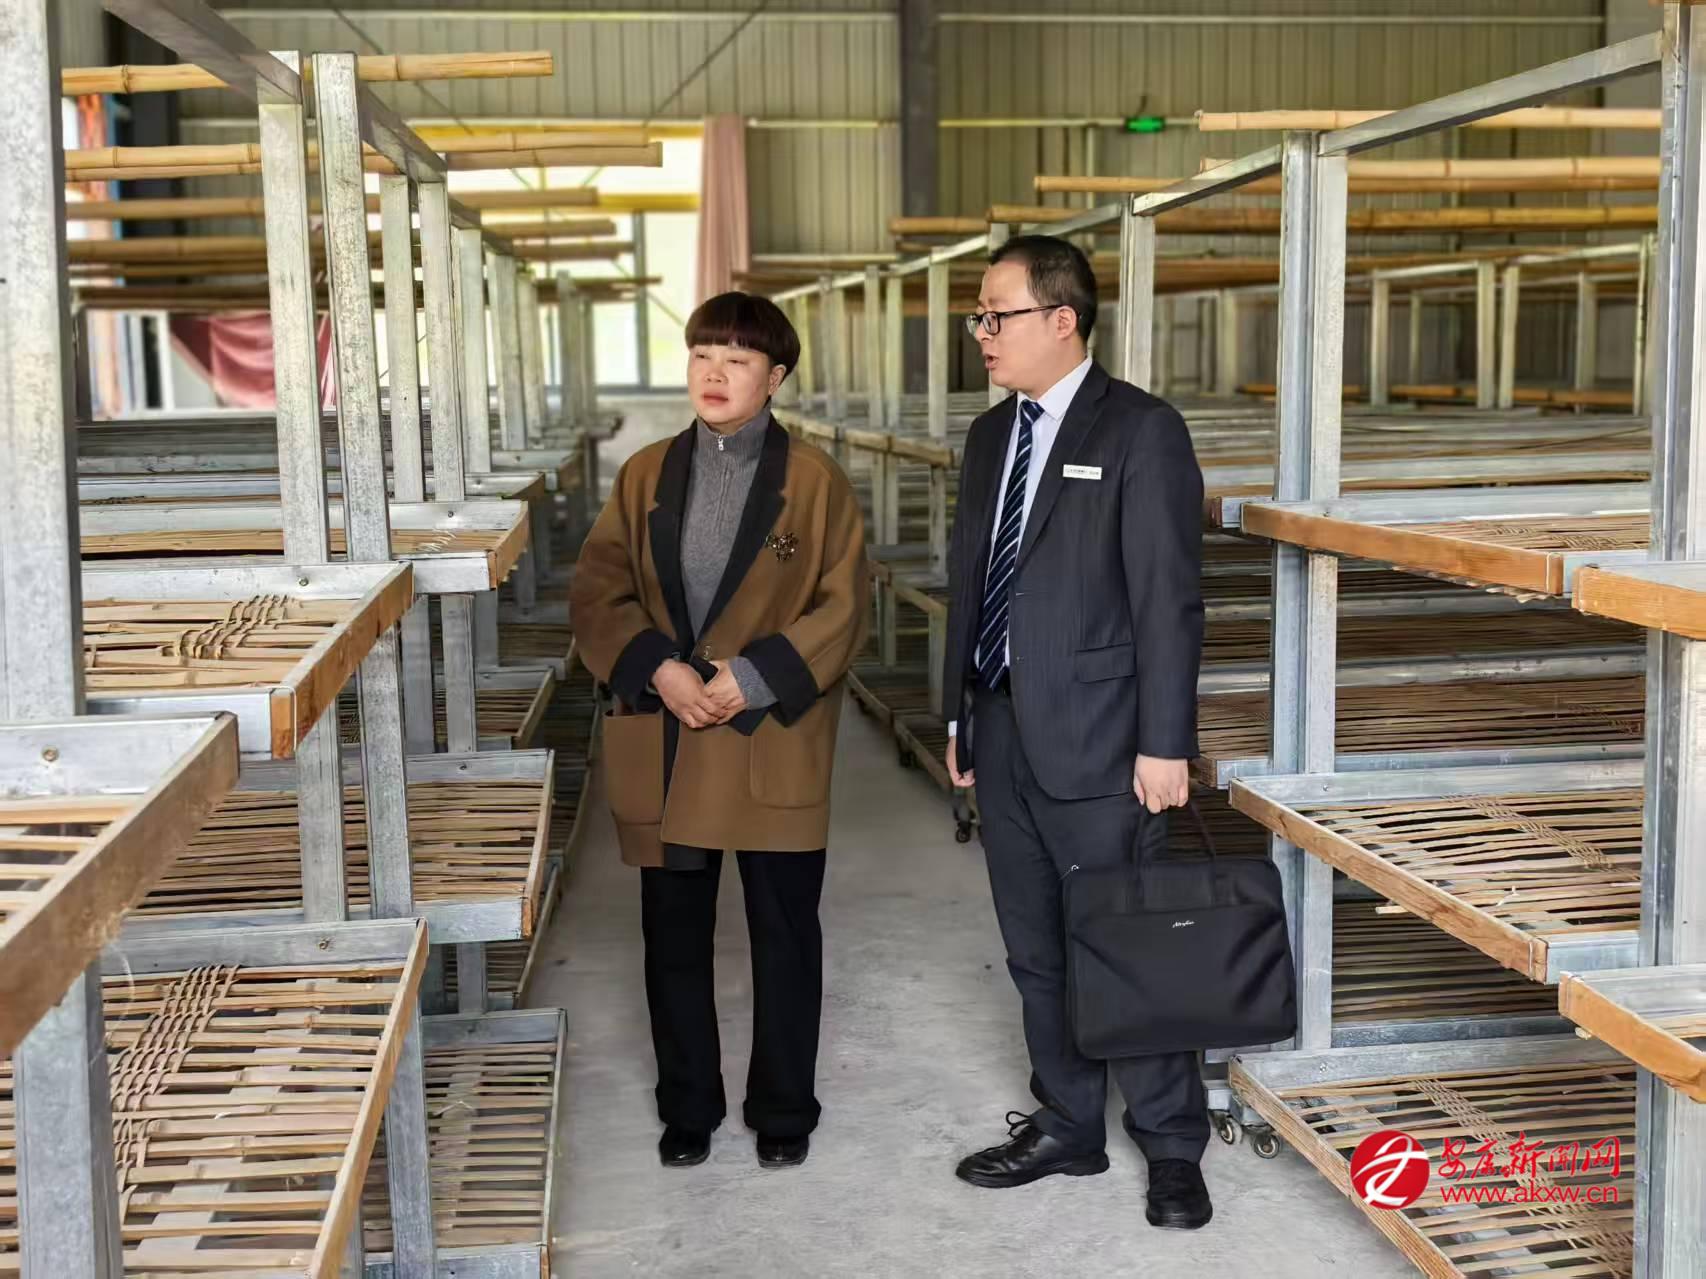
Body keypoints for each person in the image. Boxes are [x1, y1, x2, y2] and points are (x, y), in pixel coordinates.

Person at [941, 235, 1211, 1228]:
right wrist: (958, 711)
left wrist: (1164, 742)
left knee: (1126, 947)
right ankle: (1068, 1123)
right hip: (1002, 725)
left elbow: (1167, 598)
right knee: (1034, 950)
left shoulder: (1140, 429)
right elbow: (971, 580)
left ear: (1062, 319)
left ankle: (1172, 1144)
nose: (981, 332)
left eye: (996, 314)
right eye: (978, 316)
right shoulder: (988, 437)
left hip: (1103, 739)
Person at [571, 291, 869, 1171]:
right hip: (667, 734)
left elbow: (844, 604)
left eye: (738, 359)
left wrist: (751, 677)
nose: (714, 372)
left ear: (774, 379)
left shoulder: (814, 483)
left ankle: (783, 1107)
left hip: (768, 734)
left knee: (785, 931)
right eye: (703, 353)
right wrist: (659, 668)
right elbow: (598, 590)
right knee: (672, 934)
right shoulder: (645, 475)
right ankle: (688, 1105)